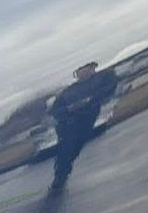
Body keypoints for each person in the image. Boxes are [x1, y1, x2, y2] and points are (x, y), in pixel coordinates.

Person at [48, 60, 118, 192]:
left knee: (72, 148)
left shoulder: (104, 77)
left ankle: (61, 175)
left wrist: (89, 101)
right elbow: (55, 111)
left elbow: (110, 88)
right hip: (70, 125)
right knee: (67, 150)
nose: (82, 72)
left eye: (85, 68)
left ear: (92, 68)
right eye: (79, 70)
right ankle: (60, 177)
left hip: (88, 121)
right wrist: (69, 109)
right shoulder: (68, 91)